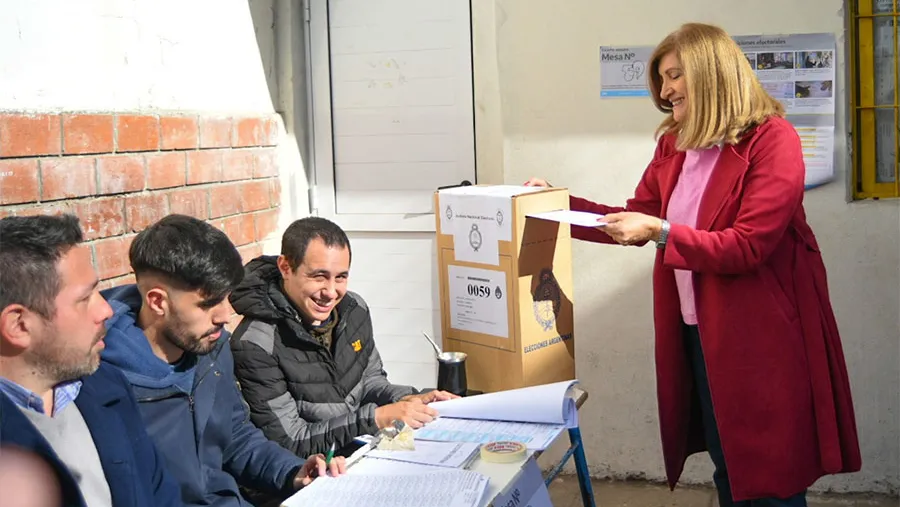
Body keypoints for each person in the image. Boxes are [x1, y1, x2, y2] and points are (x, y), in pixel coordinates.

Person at [525, 22, 861, 507]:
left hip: (761, 336)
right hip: (698, 332)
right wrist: (556, 203)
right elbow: (633, 217)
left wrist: (660, 231)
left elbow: (747, 245)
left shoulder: (773, 140)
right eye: (662, 79)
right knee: (730, 464)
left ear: (713, 74)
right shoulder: (676, 145)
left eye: (676, 75)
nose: (665, 91)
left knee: (770, 472)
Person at [99, 214, 345, 507]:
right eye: (208, 304)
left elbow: (235, 437)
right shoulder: (101, 383)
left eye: (227, 297)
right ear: (157, 301)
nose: (224, 316)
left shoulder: (211, 348)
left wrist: (293, 471)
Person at [229, 216, 457, 457]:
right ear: (285, 267)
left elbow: (370, 382)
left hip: (364, 449)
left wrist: (410, 399)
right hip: (315, 473)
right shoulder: (255, 344)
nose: (330, 292)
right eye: (319, 276)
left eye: (341, 277)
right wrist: (376, 418)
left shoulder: (354, 309)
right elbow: (290, 441)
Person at [0, 214, 183, 507]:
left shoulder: (106, 386)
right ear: (19, 325)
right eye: (85, 298)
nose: (106, 310)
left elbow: (161, 494)